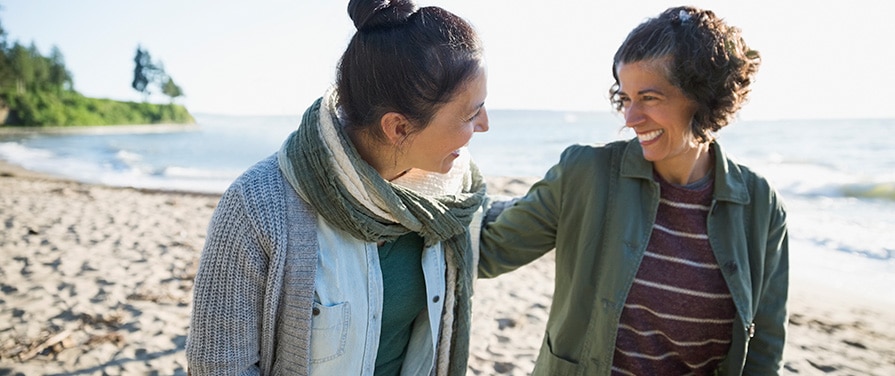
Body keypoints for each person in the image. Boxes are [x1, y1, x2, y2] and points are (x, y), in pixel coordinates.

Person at [478, 6, 788, 375]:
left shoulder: (761, 206)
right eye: (625, 98)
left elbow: (764, 349)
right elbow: (489, 249)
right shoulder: (586, 175)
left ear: (703, 97)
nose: (630, 118)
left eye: (650, 98)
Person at [185, 0, 489, 374]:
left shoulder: (449, 199)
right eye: (471, 113)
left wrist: (575, 181)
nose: (485, 125)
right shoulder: (257, 207)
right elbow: (219, 367)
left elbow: (495, 232)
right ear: (398, 128)